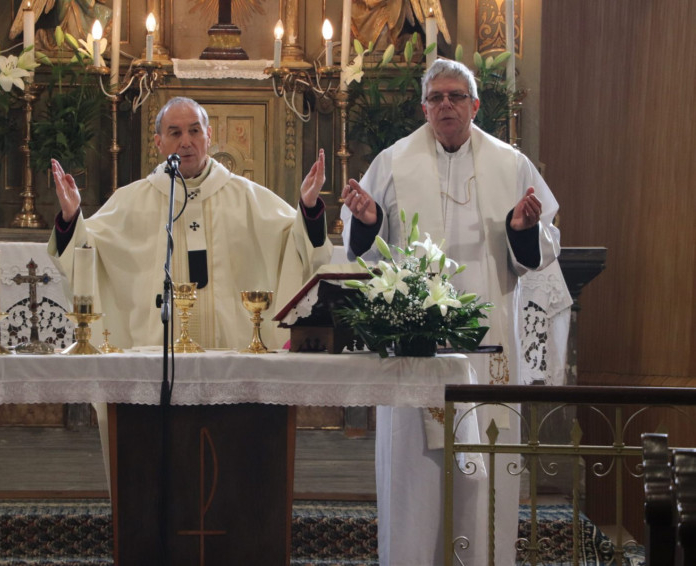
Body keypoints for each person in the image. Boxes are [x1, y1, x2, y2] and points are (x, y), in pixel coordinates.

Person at [341, 59, 560, 565]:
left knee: (485, 474)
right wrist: (370, 221)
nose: (446, 105)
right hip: (414, 346)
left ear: (475, 105)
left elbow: (541, 249)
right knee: (415, 476)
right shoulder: (393, 162)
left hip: (488, 348)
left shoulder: (511, 164)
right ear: (424, 107)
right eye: (436, 97)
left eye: (456, 96)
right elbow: (366, 250)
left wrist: (523, 229)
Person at [49, 96, 333, 351]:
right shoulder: (131, 200)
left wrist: (308, 208)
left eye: (194, 131)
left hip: (233, 357)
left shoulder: (247, 196)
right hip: (157, 357)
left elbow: (296, 243)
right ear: (158, 142)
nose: (186, 141)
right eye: (175, 133)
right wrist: (71, 218)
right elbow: (86, 250)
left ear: (208, 136)